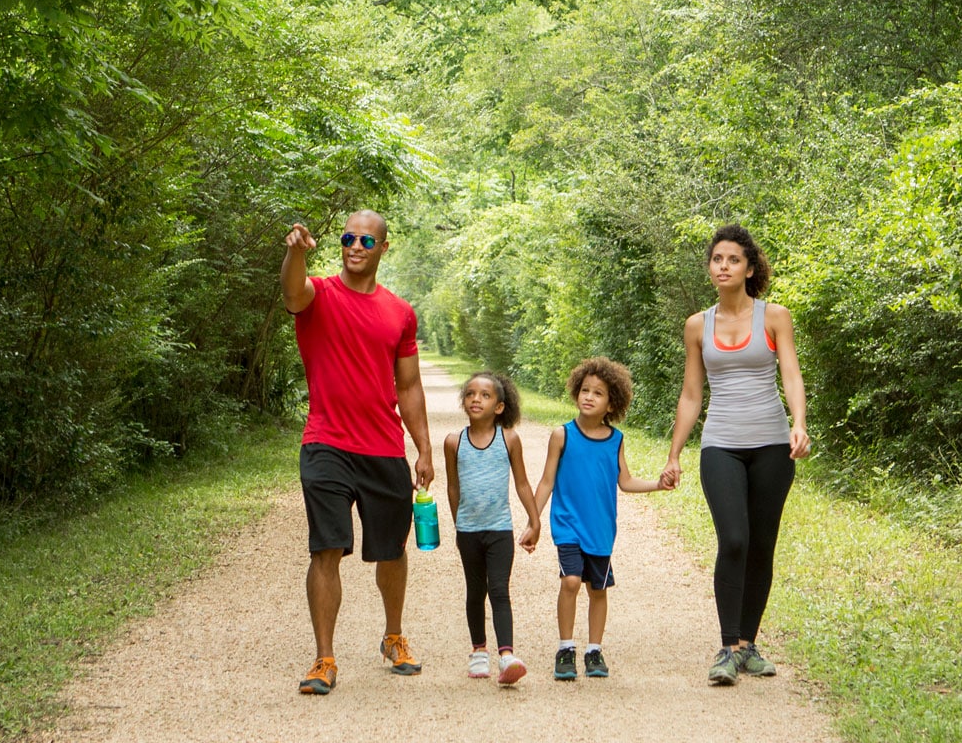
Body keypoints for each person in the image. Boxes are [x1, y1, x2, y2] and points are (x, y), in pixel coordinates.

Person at [281, 210, 435, 696]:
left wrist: (424, 447)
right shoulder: (319, 294)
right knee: (326, 547)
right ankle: (324, 658)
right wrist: (295, 252)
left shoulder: (400, 313)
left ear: (383, 247)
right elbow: (291, 292)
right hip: (325, 442)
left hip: (383, 447)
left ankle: (393, 636)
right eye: (348, 237)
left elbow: (408, 387)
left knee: (391, 550)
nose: (355, 245)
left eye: (366, 239)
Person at [659, 224, 812, 686]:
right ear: (710, 268)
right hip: (720, 444)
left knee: (762, 544)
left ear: (749, 268)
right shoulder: (697, 324)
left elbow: (791, 374)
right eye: (716, 260)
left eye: (732, 260)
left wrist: (798, 424)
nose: (723, 267)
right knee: (735, 540)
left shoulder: (774, 317)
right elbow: (691, 394)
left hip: (771, 444)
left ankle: (748, 644)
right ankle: (727, 647)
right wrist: (674, 454)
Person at [523, 357, 674, 681]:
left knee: (598, 590)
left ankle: (594, 650)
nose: (589, 396)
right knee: (571, 581)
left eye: (598, 393)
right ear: (576, 393)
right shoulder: (561, 435)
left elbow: (626, 481)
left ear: (611, 403)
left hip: (601, 530)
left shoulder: (616, 439)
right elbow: (547, 481)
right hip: (568, 526)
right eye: (585, 390)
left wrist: (658, 485)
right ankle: (566, 648)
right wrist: (533, 522)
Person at [442, 371, 538, 686]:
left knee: (499, 589)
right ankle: (478, 651)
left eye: (484, 395)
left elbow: (522, 483)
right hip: (468, 531)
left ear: (499, 406)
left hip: (499, 530)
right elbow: (453, 488)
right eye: (470, 394)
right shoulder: (453, 442)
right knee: (475, 591)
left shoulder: (508, 438)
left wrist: (534, 520)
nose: (475, 399)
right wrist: (459, 524)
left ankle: (507, 655)